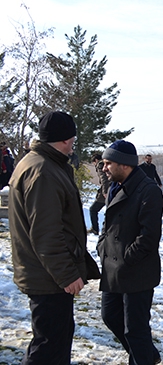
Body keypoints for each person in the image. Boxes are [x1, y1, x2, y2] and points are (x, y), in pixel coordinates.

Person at [8, 111, 100, 365]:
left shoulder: (42, 163)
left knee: (53, 342)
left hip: (45, 273)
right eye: (72, 138)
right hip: (47, 277)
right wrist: (66, 274)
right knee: (49, 348)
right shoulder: (43, 172)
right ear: (64, 139)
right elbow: (46, 232)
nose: (73, 143)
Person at [98, 140, 163, 365]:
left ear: (124, 164)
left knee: (135, 329)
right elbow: (107, 224)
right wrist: (102, 247)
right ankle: (147, 355)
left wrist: (126, 258)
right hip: (113, 268)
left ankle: (142, 358)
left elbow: (149, 237)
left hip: (136, 271)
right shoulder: (114, 188)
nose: (104, 168)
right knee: (110, 316)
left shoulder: (149, 191)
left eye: (108, 163)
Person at [89, 153, 111, 235]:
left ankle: (95, 229)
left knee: (93, 209)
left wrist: (104, 191)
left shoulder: (100, 165)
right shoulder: (107, 163)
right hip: (111, 190)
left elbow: (104, 179)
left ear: (96, 160)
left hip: (105, 192)